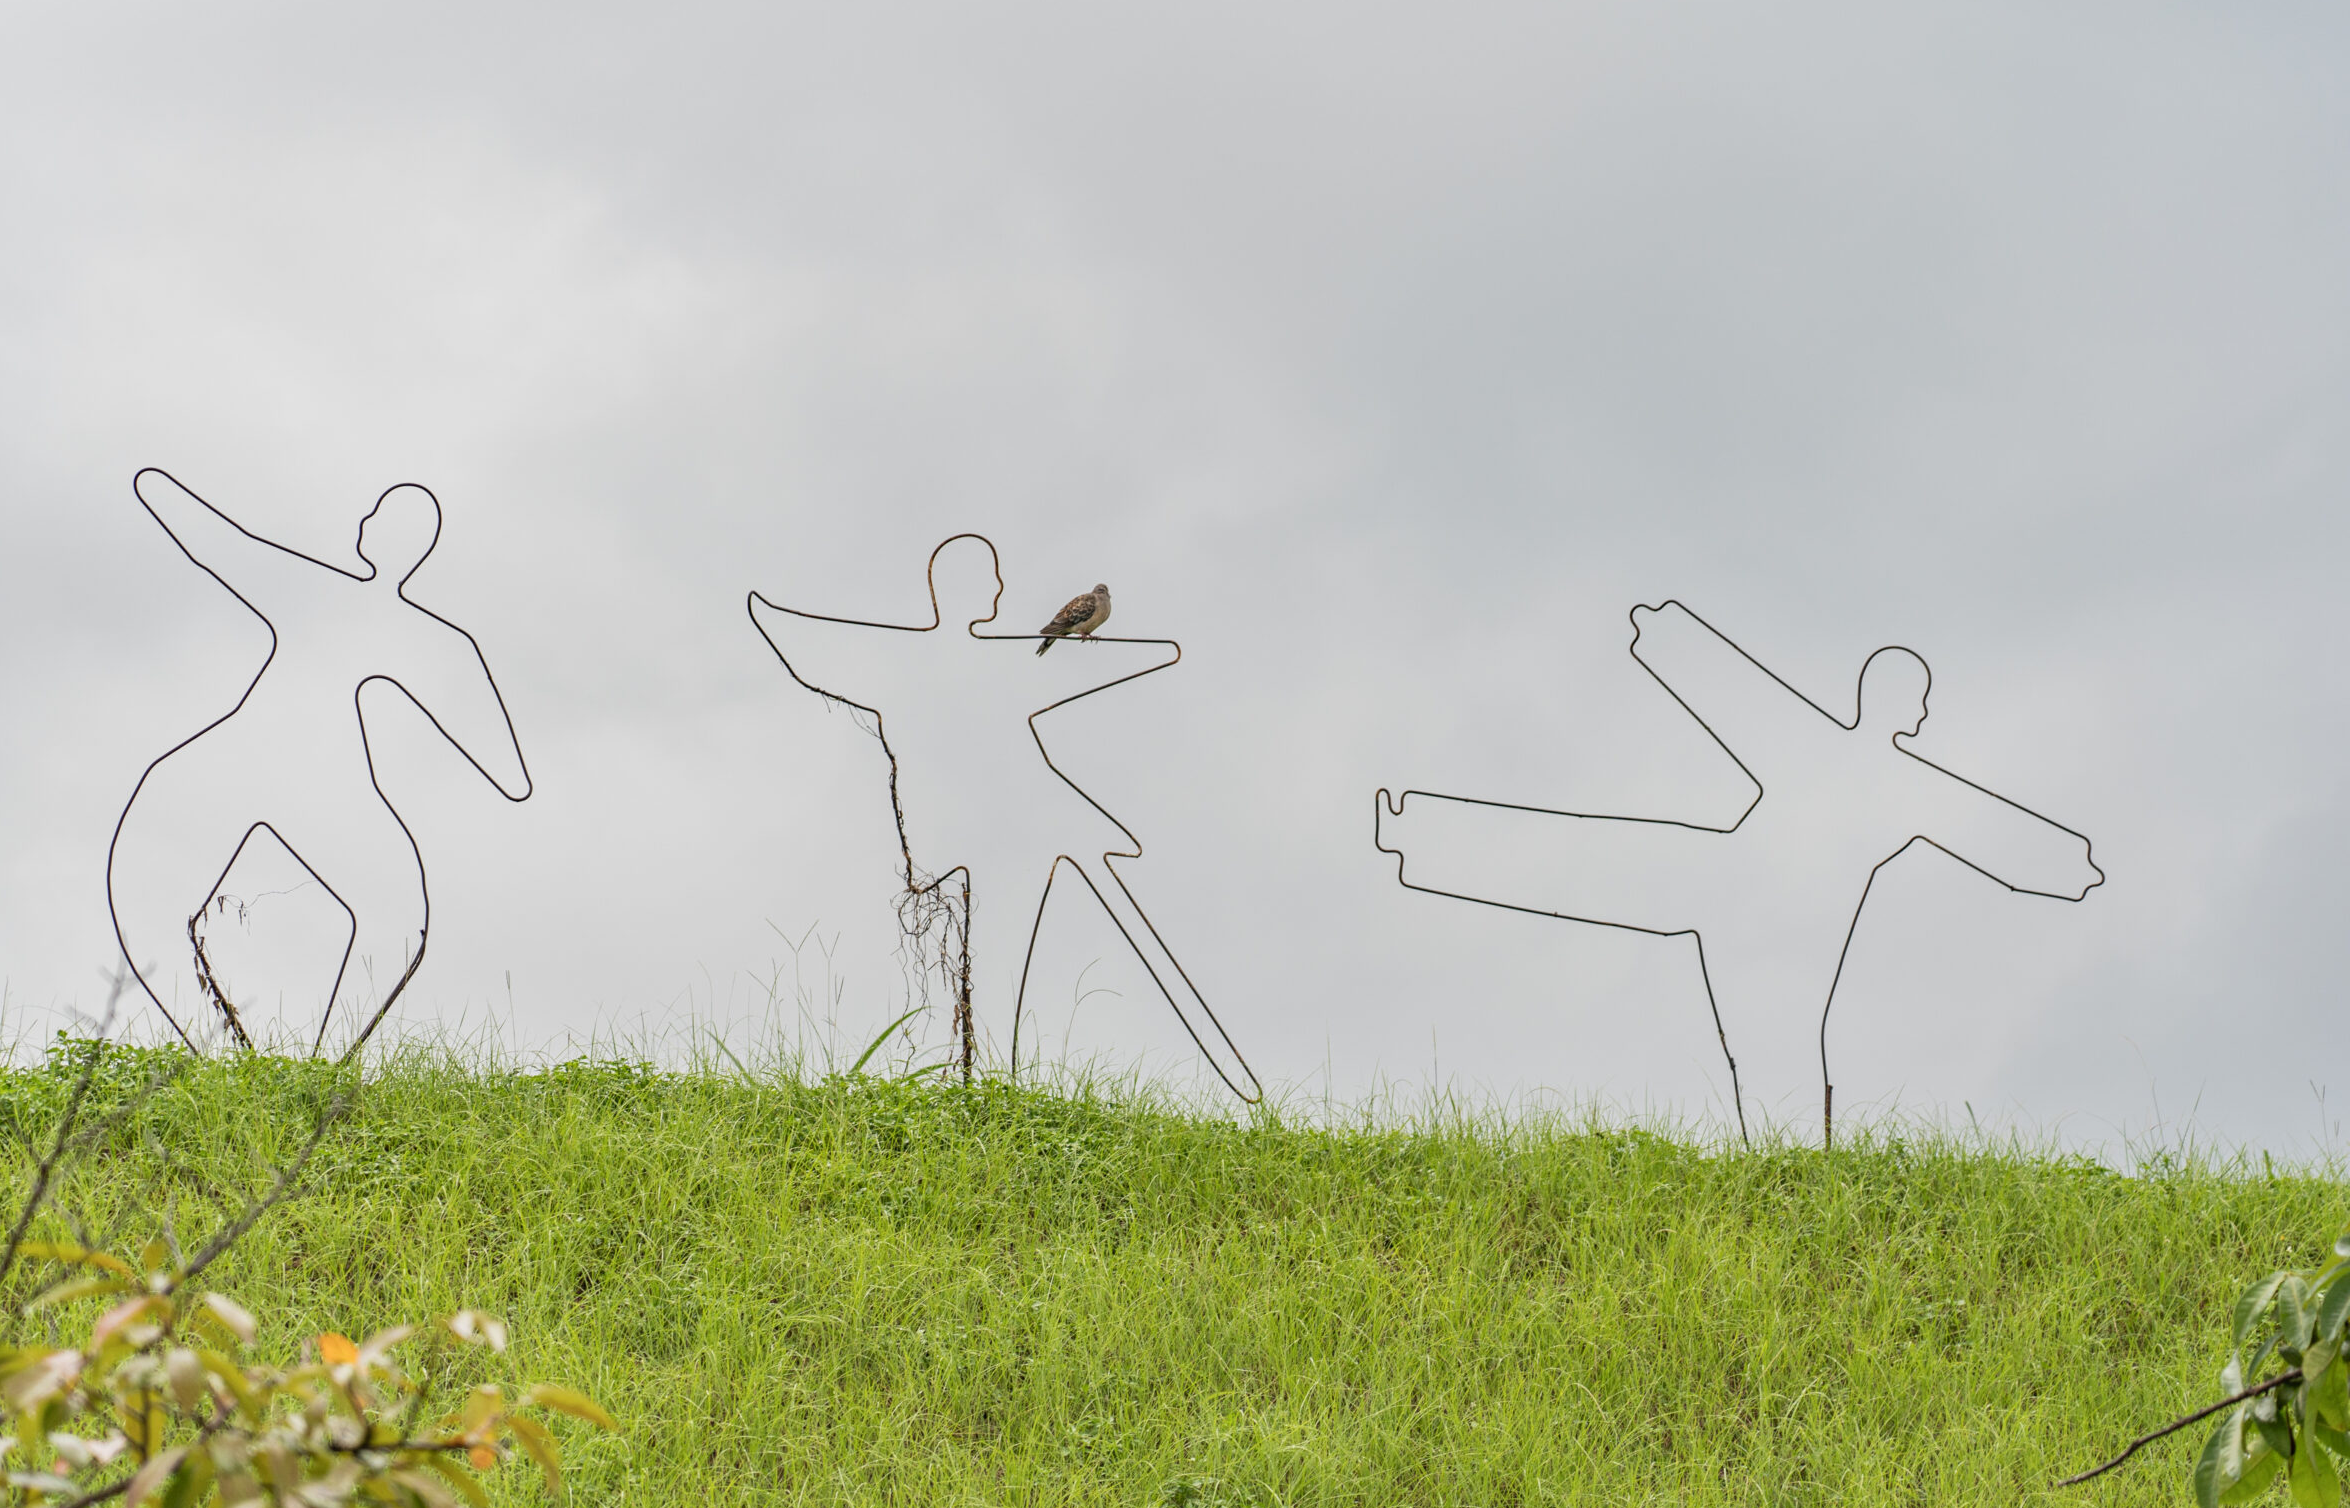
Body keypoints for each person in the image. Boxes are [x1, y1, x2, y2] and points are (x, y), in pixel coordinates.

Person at [1375, 600, 2101, 1132]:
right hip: (1749, 897)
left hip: (1748, 897)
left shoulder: (1867, 765)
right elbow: (1995, 833)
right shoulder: (1901, 781)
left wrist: (1665, 635)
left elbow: (1736, 691)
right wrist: (2071, 864)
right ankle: (1415, 833)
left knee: (1594, 862)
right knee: (1591, 859)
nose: (1921, 715)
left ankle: (1418, 834)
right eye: (1918, 702)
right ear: (1897, 704)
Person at [750, 536, 1255, 1097]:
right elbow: (823, 646)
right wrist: (776, 619)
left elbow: (824, 650)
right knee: (1082, 918)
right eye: (989, 584)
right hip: (1015, 808)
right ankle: (1012, 1077)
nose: (997, 593)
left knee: (1065, 920)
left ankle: (1217, 1071)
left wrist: (779, 621)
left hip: (1014, 807)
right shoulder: (964, 652)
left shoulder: (950, 653)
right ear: (959, 591)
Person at [107, 469, 530, 1057]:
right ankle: (286, 1067)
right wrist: (158, 490)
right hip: (314, 777)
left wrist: (159, 489)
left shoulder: (319, 591)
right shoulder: (432, 637)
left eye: (379, 514)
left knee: (395, 912)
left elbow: (226, 547)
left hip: (261, 758)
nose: (366, 520)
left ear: (389, 540)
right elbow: (509, 772)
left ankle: (253, 1064)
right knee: (397, 913)